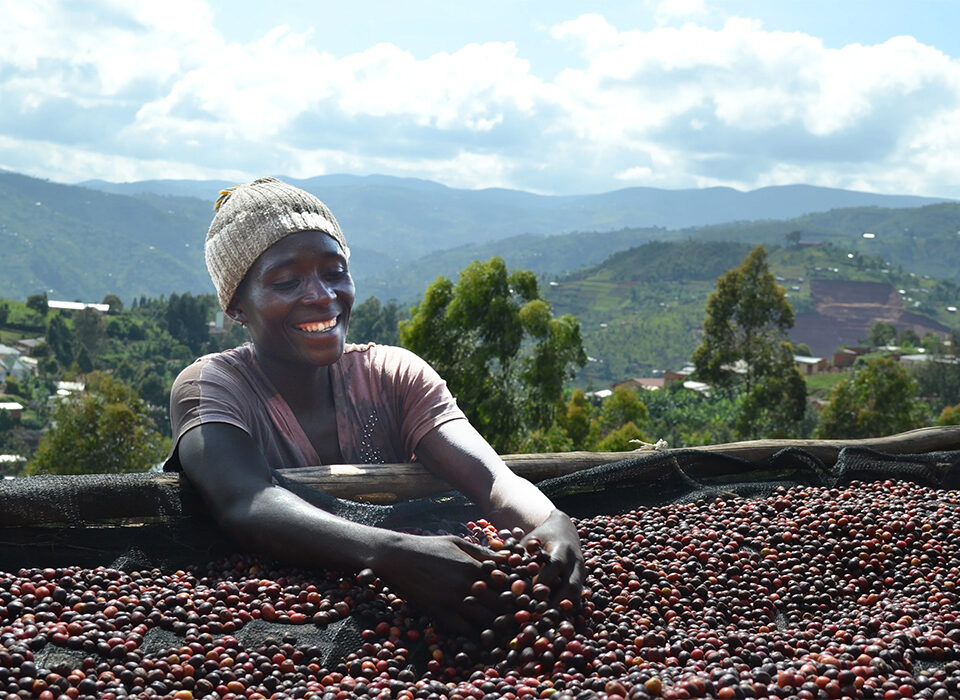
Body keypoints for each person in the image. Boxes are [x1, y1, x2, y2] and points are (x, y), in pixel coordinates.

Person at [164, 176, 583, 633]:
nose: (322, 296)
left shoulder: (394, 376)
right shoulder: (211, 387)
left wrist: (548, 520)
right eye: (286, 281)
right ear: (237, 307)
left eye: (334, 271)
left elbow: (492, 478)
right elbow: (245, 500)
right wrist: (390, 553)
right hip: (291, 623)